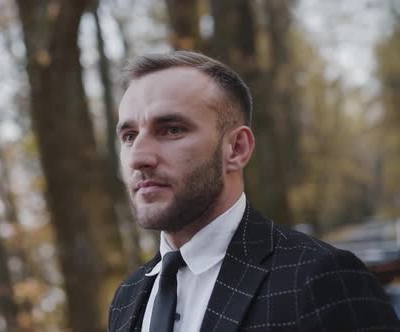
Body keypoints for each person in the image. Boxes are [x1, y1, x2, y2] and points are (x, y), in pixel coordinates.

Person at [108, 51, 399, 332]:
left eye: (172, 129)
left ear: (236, 148)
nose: (138, 157)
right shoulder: (127, 298)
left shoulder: (322, 280)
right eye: (129, 136)